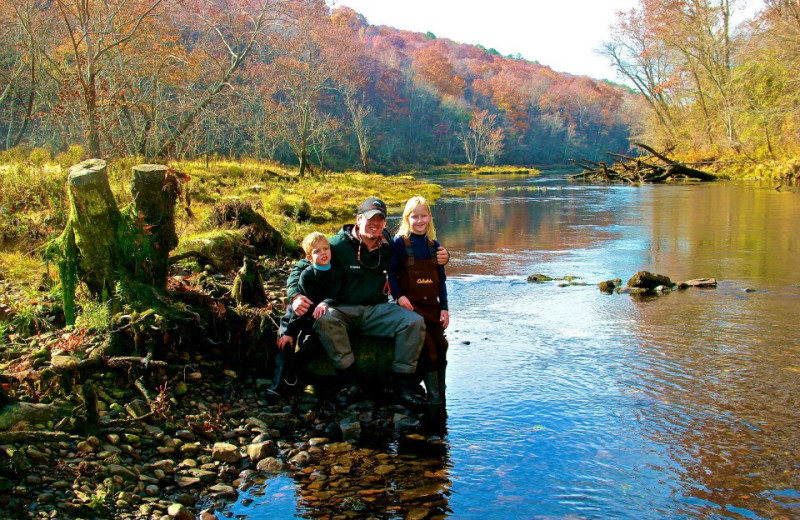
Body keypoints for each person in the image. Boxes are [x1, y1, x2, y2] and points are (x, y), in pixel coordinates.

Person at [288, 197, 450, 406]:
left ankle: (402, 384)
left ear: (384, 223)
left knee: (413, 322)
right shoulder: (336, 245)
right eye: (370, 219)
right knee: (324, 318)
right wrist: (295, 296)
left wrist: (445, 256)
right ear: (358, 219)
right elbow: (300, 267)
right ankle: (350, 381)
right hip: (343, 310)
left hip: (377, 310)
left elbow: (420, 250)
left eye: (380, 220)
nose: (375, 224)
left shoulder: (388, 247)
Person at [388, 196, 449, 404]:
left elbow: (441, 280)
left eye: (424, 216)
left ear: (430, 218)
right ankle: (433, 398)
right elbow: (391, 275)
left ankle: (441, 392)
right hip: (412, 308)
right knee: (429, 348)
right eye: (415, 216)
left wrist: (445, 308)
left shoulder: (435, 245)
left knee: (441, 345)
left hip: (433, 307)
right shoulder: (400, 243)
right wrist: (399, 296)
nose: (420, 220)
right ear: (407, 218)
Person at [270, 232, 341, 394]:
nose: (323, 253)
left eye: (326, 249)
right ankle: (277, 384)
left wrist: (326, 303)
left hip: (316, 315)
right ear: (309, 258)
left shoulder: (336, 273)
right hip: (298, 313)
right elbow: (300, 307)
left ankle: (295, 373)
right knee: (286, 342)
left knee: (311, 345)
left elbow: (335, 294)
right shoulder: (306, 274)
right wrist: (289, 332)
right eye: (317, 251)